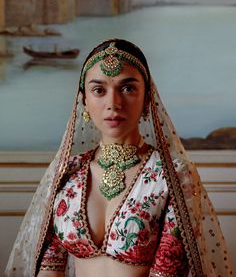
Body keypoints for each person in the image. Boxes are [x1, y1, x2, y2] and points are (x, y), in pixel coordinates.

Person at [4, 39, 234, 277]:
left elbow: (169, 270)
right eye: (99, 90)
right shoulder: (68, 173)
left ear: (147, 99)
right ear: (84, 100)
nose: (113, 103)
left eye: (127, 88)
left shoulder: (172, 175)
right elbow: (48, 269)